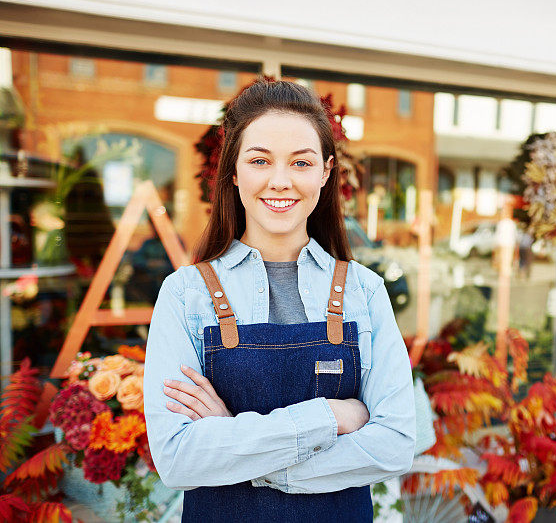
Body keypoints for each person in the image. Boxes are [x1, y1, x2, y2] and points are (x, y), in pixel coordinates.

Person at [143, 78, 416, 522]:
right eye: (260, 160)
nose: (281, 181)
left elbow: (396, 444)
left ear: (326, 173)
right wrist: (330, 416)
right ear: (234, 171)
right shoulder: (186, 295)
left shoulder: (365, 292)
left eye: (301, 163)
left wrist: (237, 444)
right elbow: (177, 458)